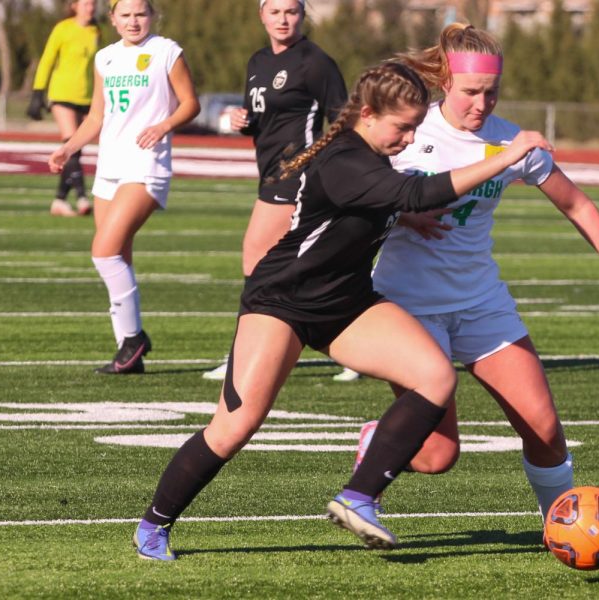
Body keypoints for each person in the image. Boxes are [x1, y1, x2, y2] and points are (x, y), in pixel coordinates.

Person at [131, 61, 554, 560]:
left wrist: (408, 217)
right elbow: (413, 190)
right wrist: (507, 155)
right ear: (369, 114)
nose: (409, 137)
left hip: (348, 304)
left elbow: (394, 201)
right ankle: (154, 525)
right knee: (234, 427)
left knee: (436, 378)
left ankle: (358, 497)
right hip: (281, 303)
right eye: (402, 127)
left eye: (416, 127)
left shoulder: (372, 155)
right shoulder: (345, 160)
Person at [359, 23, 599, 527]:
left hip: (480, 303)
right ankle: (373, 445)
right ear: (445, 82)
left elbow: (577, 204)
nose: (482, 103)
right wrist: (404, 213)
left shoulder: (512, 143)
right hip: (408, 306)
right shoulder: (409, 133)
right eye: (472, 91)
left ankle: (561, 525)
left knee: (544, 428)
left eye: (491, 92)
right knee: (436, 456)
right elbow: (350, 194)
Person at [47, 0, 200, 374]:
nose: (134, 21)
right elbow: (97, 116)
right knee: (119, 256)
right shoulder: (105, 58)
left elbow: (191, 103)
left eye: (141, 14)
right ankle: (127, 351)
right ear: (112, 19)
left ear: (152, 15)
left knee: (103, 252)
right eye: (125, 15)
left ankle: (134, 340)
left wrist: (163, 126)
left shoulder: (166, 51)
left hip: (146, 166)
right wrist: (69, 146)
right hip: (109, 168)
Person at [202, 0, 348, 382]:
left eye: (292, 11)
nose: (284, 19)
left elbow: (344, 120)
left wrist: (323, 167)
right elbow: (263, 119)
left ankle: (243, 357)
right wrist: (242, 122)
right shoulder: (257, 62)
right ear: (261, 15)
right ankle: (351, 346)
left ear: (302, 15)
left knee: (256, 261)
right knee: (303, 268)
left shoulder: (315, 62)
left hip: (296, 176)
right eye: (276, 11)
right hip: (270, 174)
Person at [28, 0, 101, 217]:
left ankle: (59, 200)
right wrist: (37, 92)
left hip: (87, 96)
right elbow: (47, 60)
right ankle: (81, 197)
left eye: (94, 4)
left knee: (76, 149)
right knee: (71, 145)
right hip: (62, 94)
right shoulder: (63, 29)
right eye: (87, 4)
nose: (91, 8)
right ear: (74, 6)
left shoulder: (97, 30)